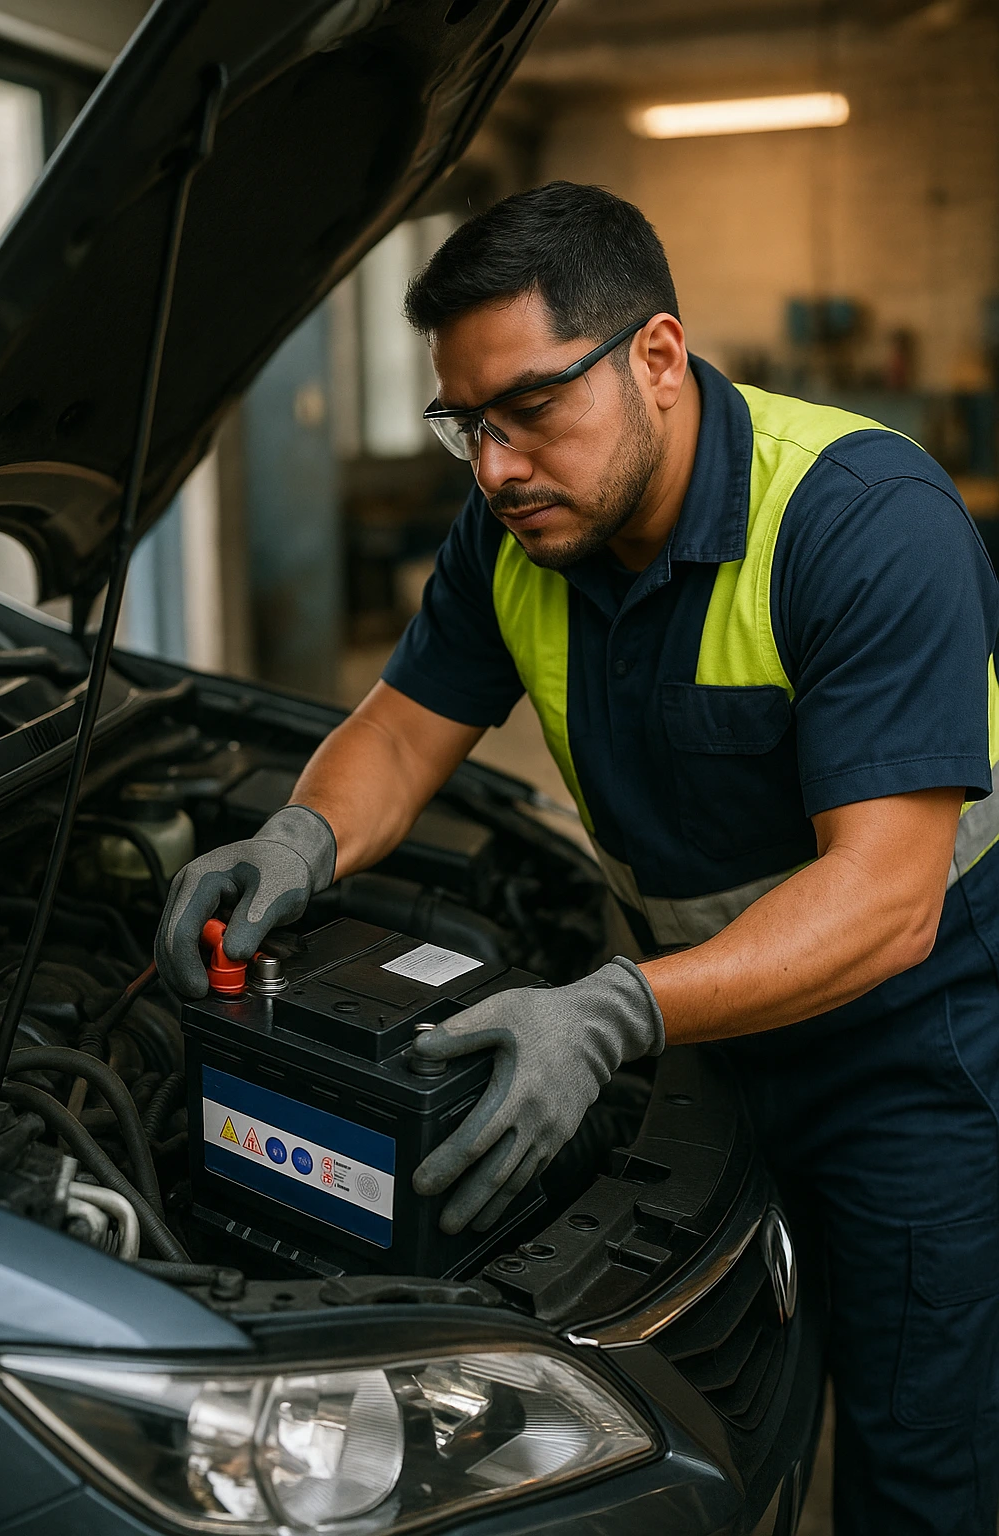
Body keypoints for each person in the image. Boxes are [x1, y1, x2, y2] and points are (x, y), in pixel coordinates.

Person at [155, 182, 999, 1535]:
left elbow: (888, 899)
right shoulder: (515, 538)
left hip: (911, 1049)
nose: (494, 466)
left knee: (921, 1447)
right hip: (706, 1039)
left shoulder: (858, 523)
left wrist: (614, 1009)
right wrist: (298, 840)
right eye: (467, 424)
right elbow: (399, 730)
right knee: (704, 1412)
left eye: (532, 409)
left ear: (657, 358)